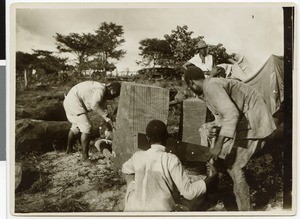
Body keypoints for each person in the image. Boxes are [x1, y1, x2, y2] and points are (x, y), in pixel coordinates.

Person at [184, 66, 276, 211]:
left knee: (235, 166)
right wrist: (216, 128)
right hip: (245, 120)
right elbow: (222, 116)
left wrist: (218, 145)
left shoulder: (212, 87)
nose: (190, 90)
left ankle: (244, 212)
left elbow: (232, 114)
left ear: (191, 83)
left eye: (189, 87)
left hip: (255, 120)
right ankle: (224, 196)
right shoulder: (208, 89)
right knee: (220, 156)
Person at [122, 119, 218, 212]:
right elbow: (189, 193)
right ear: (167, 137)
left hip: (134, 210)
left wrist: (133, 185)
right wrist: (210, 179)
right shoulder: (170, 159)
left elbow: (125, 169)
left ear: (147, 138)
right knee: (197, 202)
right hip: (160, 212)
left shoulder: (138, 156)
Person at [63, 81, 121, 160]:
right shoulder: (101, 89)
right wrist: (107, 117)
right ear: (111, 90)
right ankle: (85, 157)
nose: (113, 98)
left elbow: (104, 112)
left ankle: (69, 149)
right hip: (74, 103)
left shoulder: (103, 92)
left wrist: (108, 124)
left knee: (75, 128)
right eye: (114, 96)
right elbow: (94, 106)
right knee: (87, 128)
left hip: (70, 101)